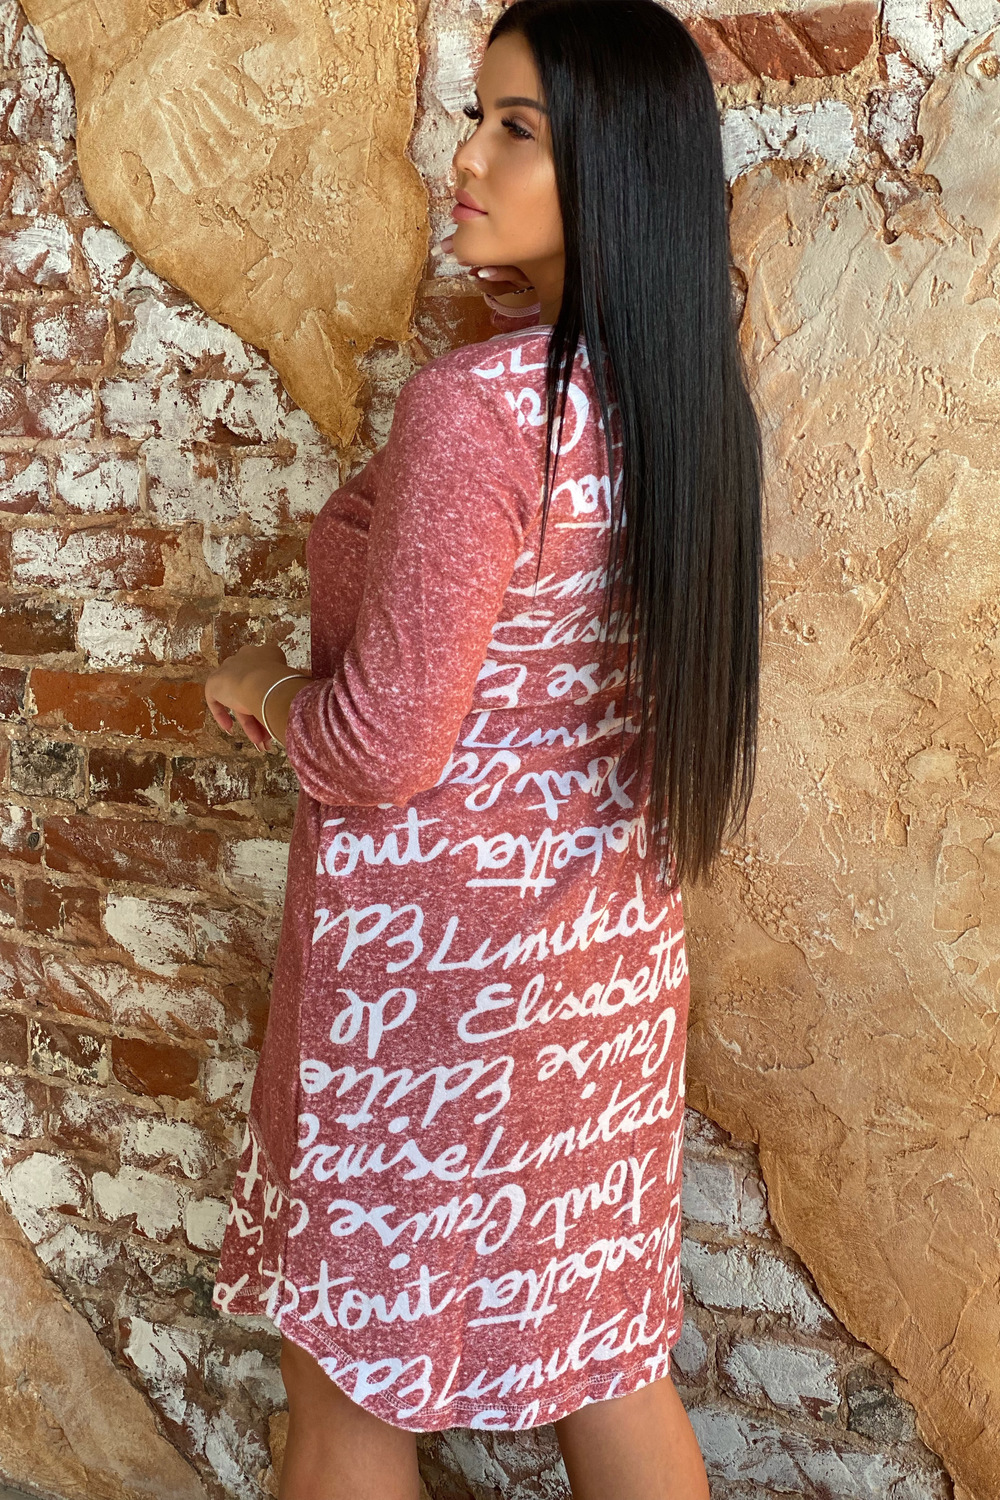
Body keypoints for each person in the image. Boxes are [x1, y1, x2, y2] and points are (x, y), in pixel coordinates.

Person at [204, 2, 762, 1496]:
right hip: (600, 980)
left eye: (519, 130)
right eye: (477, 117)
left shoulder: (480, 410)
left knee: (347, 1393)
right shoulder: (680, 399)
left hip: (427, 994)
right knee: (612, 1372)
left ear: (614, 168)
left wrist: (265, 685)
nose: (466, 159)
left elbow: (380, 746)